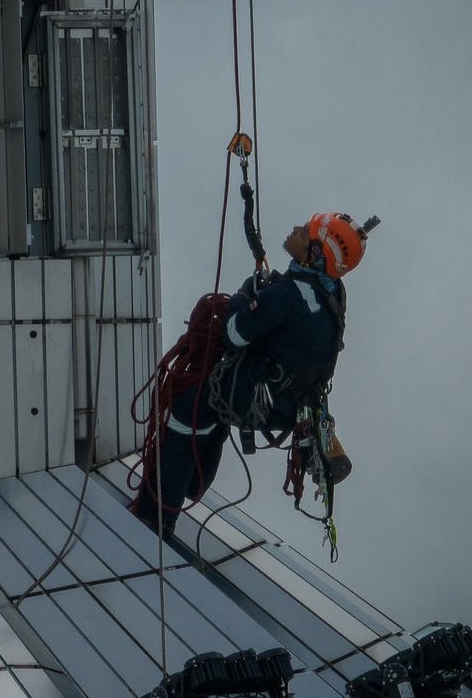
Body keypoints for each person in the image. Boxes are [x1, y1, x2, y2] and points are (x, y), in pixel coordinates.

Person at [133, 212, 373, 536]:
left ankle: (155, 516)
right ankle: (188, 485)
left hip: (262, 398)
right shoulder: (330, 291)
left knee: (185, 410)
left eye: (304, 232)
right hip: (288, 401)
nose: (294, 230)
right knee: (210, 411)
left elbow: (233, 334)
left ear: (315, 254)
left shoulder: (290, 296)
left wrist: (244, 298)